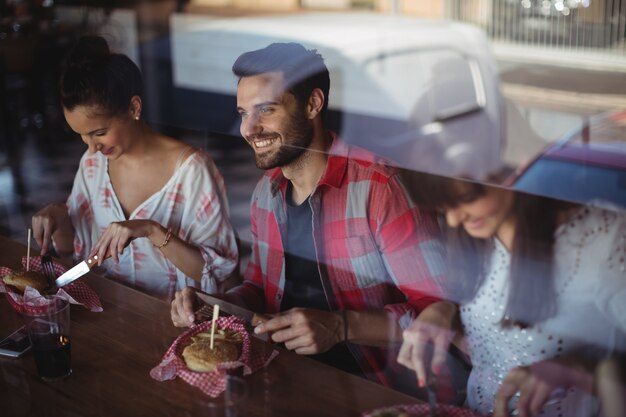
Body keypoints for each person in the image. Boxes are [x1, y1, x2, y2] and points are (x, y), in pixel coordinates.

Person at [171, 42, 446, 394]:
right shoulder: (266, 192)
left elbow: (439, 313)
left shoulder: (379, 187)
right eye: (243, 113)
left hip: (374, 389)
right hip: (278, 376)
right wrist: (213, 307)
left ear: (313, 104)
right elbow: (259, 290)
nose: (248, 129)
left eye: (265, 110)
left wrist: (341, 327)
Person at [396, 174, 626, 417]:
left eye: (467, 198)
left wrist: (577, 370)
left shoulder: (607, 243)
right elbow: (497, 331)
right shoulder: (479, 232)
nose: (453, 219)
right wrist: (444, 311)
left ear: (516, 166)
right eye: (444, 206)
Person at [31, 35, 238, 299]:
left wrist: (151, 230)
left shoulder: (192, 171)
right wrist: (59, 214)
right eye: (81, 135)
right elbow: (74, 251)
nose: (91, 147)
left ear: (133, 107)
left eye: (99, 132)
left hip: (174, 320)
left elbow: (215, 275)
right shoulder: (94, 164)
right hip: (108, 312)